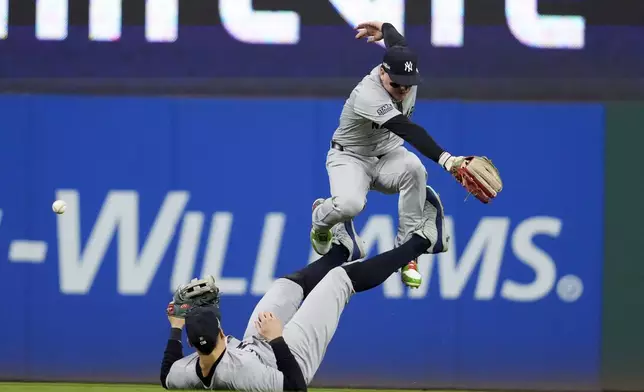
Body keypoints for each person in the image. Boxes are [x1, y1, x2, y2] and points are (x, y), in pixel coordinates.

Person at [160, 186, 450, 391]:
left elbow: (166, 376)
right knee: (339, 281)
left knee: (285, 286)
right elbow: (295, 388)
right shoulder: (240, 375)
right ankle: (424, 240)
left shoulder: (185, 374)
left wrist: (175, 326)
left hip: (255, 347)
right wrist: (277, 339)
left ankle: (343, 249)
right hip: (290, 360)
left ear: (192, 347)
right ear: (221, 333)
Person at [309, 20, 468, 290]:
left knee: (414, 169)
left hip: (388, 155)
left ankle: (408, 253)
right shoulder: (368, 94)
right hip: (350, 158)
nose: (403, 89)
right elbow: (406, 129)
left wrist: (385, 28)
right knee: (349, 205)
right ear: (383, 72)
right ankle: (320, 222)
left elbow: (400, 45)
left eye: (408, 83)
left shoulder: (401, 71)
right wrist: (447, 159)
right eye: (396, 84)